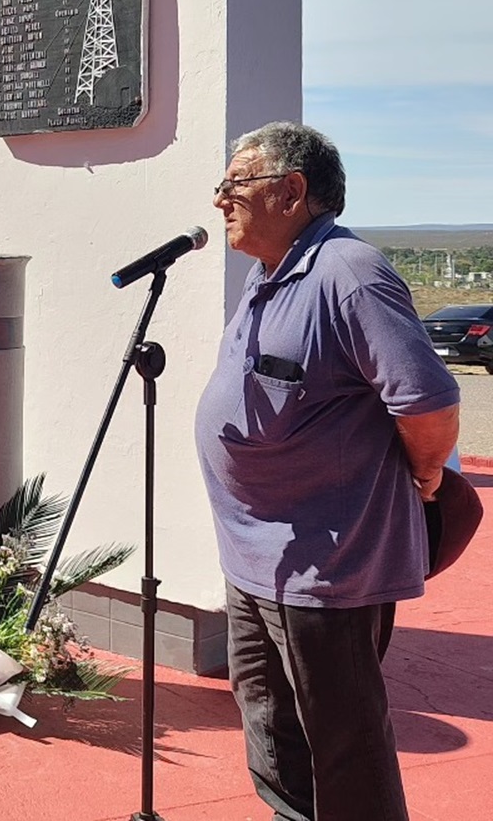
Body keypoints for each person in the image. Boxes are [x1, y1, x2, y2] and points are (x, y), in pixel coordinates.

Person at [195, 121, 460, 821]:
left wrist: (427, 477)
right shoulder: (269, 274)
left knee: (345, 748)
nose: (220, 198)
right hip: (254, 559)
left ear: (291, 190)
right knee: (272, 729)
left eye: (234, 181)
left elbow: (428, 403)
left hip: (327, 568)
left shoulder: (350, 273)